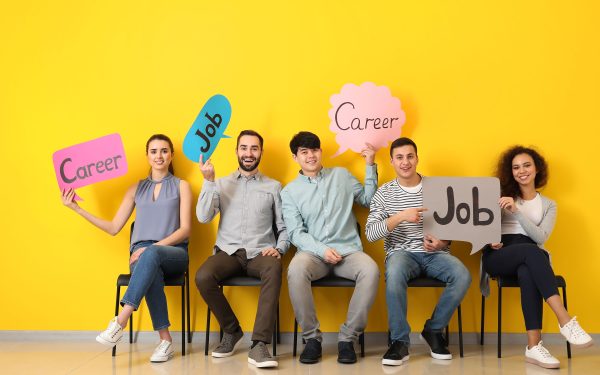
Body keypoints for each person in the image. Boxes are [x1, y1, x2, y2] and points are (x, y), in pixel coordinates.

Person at [61, 134, 192, 363]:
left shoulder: (182, 186)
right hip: (143, 256)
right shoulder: (136, 189)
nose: (159, 156)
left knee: (149, 255)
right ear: (147, 156)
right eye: (153, 151)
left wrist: (154, 247)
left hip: (174, 253)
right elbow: (113, 227)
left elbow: (185, 230)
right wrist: (76, 209)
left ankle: (120, 322)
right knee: (149, 265)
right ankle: (165, 341)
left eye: (163, 151)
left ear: (171, 155)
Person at [481, 145, 593, 369]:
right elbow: (480, 226)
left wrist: (517, 212)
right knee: (532, 252)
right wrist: (489, 239)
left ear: (537, 168)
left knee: (529, 265)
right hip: (499, 254)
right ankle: (565, 319)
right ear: (510, 172)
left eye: (526, 165)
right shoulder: (499, 197)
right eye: (515, 167)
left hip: (530, 255)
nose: (521, 170)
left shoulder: (549, 204)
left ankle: (533, 347)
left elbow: (540, 236)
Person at [366, 137, 471, 365]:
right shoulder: (384, 194)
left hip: (436, 254)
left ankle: (433, 330)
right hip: (401, 253)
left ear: (417, 158)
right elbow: (371, 233)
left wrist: (443, 243)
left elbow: (454, 225)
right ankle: (399, 342)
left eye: (410, 156)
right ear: (392, 161)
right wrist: (402, 216)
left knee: (462, 275)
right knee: (394, 274)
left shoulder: (438, 188)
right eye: (400, 157)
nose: (405, 162)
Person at [282, 131, 380, 365]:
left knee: (371, 270)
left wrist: (370, 165)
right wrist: (322, 250)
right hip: (314, 255)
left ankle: (347, 339)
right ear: (295, 157)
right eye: (304, 152)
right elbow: (296, 233)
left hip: (348, 251)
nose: (311, 156)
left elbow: (369, 201)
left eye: (314, 150)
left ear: (320, 151)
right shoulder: (290, 192)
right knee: (296, 270)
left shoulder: (342, 176)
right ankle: (312, 339)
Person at [195, 130, 289, 368]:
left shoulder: (274, 187)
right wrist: (208, 180)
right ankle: (232, 330)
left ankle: (259, 345)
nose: (249, 153)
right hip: (229, 252)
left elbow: (283, 226)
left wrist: (280, 247)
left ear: (261, 153)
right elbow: (204, 217)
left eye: (254, 148)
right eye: (244, 148)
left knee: (274, 268)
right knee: (203, 276)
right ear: (236, 151)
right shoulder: (221, 183)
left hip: (261, 252)